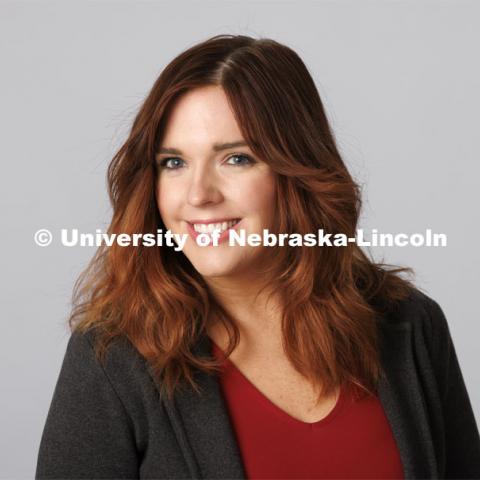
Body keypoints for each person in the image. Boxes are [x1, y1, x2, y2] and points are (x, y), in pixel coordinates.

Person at [35, 34, 480, 479]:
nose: (198, 194)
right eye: (173, 162)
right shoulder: (112, 357)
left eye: (236, 158)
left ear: (297, 170)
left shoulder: (411, 326)